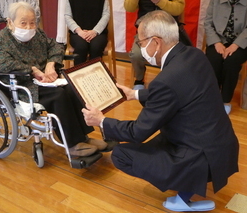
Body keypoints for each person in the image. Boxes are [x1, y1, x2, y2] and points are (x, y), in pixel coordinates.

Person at [82, 10, 239, 212]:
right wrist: (134, 94)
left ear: (156, 42)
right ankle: (187, 187)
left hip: (200, 156)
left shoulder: (166, 80)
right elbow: (177, 91)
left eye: (140, 42)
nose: (140, 48)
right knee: (158, 140)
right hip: (223, 147)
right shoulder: (195, 55)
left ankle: (186, 188)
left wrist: (101, 121)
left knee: (121, 154)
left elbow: (138, 132)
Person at [0, 2, 109, 157]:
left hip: (44, 80)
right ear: (10, 22)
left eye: (32, 22)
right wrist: (33, 70)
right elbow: (4, 64)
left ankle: (84, 137)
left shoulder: (37, 34)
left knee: (72, 89)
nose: (28, 27)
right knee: (59, 96)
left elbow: (56, 47)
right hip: (21, 85)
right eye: (23, 23)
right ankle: (72, 144)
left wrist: (51, 65)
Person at [125, 0, 190, 90]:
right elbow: (129, 8)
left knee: (173, 55)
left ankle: (170, 80)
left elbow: (178, 9)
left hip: (168, 32)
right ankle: (139, 79)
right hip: (145, 33)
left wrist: (159, 1)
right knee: (136, 54)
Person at [204, 0, 247, 114]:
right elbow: (208, 23)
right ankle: (212, 98)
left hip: (241, 43)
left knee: (231, 62)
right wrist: (216, 42)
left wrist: (235, 45)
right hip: (218, 40)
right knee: (214, 60)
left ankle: (225, 101)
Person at [64, 0, 110, 65]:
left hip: (98, 33)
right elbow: (67, 16)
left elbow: (106, 15)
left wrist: (95, 31)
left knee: (96, 46)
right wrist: (79, 31)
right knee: (81, 46)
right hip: (77, 33)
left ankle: (95, 74)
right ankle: (79, 74)